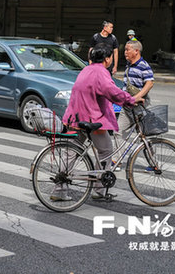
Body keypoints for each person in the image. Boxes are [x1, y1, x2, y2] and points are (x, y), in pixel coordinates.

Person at [62, 43, 142, 200]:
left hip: (76, 117)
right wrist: (130, 100)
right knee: (106, 151)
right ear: (107, 59)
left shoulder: (86, 69)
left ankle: (59, 189)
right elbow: (112, 92)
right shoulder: (101, 73)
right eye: (111, 56)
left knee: (71, 152)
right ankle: (99, 190)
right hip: (92, 118)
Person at [113, 41, 154, 170]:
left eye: (128, 50)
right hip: (127, 106)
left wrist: (138, 96)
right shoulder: (128, 65)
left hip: (139, 107)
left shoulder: (143, 65)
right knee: (119, 131)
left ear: (136, 51)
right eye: (125, 50)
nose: (125, 52)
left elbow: (150, 82)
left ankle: (153, 163)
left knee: (144, 136)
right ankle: (117, 160)